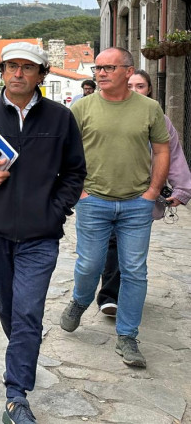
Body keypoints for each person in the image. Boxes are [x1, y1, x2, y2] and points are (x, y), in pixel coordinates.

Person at [0, 42, 85, 424]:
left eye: (28, 68)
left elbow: (75, 170)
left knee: (28, 310)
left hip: (41, 235)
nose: (19, 74)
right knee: (9, 308)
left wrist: (56, 209)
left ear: (42, 75)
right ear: (3, 72)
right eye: (12, 67)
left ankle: (16, 396)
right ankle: (23, 351)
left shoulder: (61, 118)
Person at [60, 47, 169, 369]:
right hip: (94, 201)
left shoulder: (150, 108)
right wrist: (79, 191)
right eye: (98, 68)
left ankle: (127, 337)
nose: (101, 73)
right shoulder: (82, 108)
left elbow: (163, 150)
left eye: (109, 67)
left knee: (134, 270)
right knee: (90, 264)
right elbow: (65, 152)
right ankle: (80, 301)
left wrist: (152, 192)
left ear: (128, 70)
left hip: (137, 204)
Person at [95, 69, 190, 316]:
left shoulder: (158, 118)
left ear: (149, 90)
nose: (135, 90)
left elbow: (173, 153)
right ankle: (110, 295)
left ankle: (126, 293)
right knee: (112, 243)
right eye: (131, 85)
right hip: (106, 190)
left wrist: (181, 188)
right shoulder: (104, 113)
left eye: (141, 86)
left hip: (142, 193)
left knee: (132, 248)